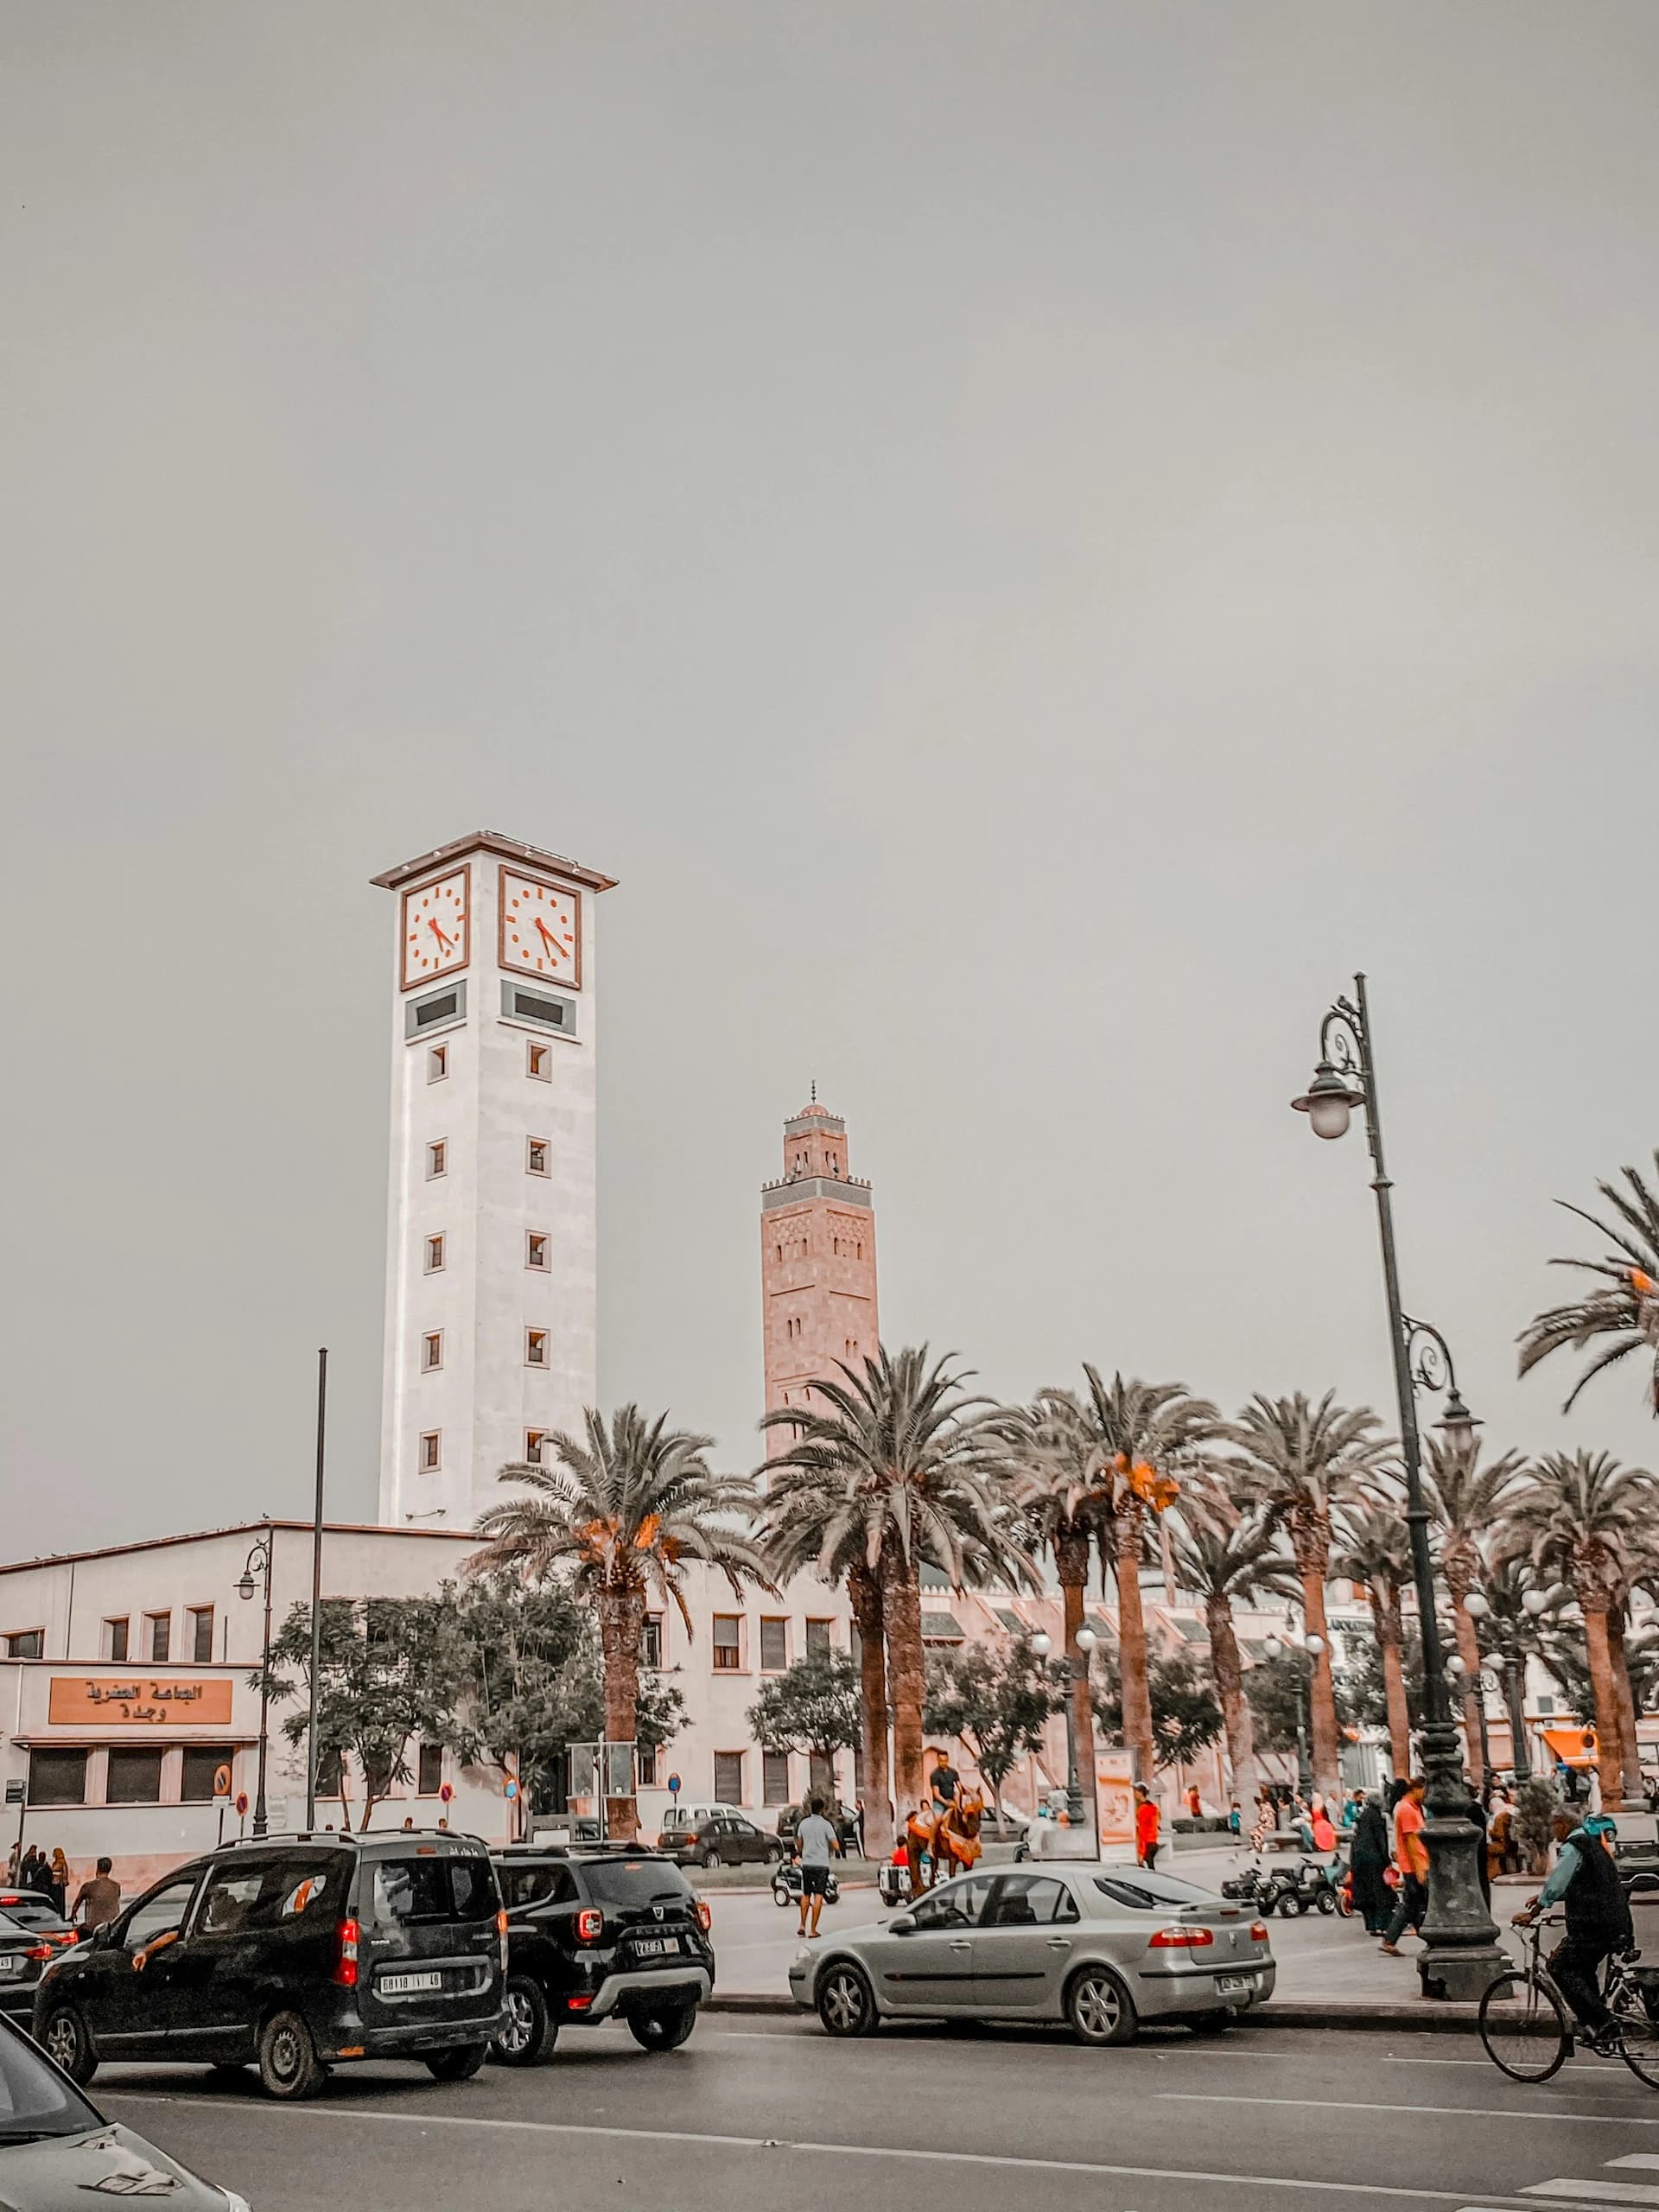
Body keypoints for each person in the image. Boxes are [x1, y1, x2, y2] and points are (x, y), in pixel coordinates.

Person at [1514, 1812, 1633, 2053]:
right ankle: (1592, 2024)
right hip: (1613, 1921)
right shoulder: (1593, 1844)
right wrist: (1543, 1897)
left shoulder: (1573, 1846)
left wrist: (1534, 1913)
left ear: (1564, 1824)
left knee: (1558, 1967)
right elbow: (1581, 1882)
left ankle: (1604, 2021)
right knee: (1582, 1969)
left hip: (1594, 1925)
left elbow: (1557, 1882)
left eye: (1554, 1826)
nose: (1553, 1831)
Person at [1381, 1777, 1430, 1955]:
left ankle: (1392, 1939)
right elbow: (1412, 1842)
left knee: (1414, 1903)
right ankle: (1428, 1938)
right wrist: (1420, 1869)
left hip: (1414, 1864)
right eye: (1424, 1791)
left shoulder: (1409, 1807)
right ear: (1415, 1789)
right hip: (1414, 1865)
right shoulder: (1407, 1810)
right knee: (1416, 1903)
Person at [794, 1793, 841, 1941]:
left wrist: (803, 1850)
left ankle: (802, 1925)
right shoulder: (826, 1825)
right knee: (818, 1895)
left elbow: (799, 1842)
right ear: (822, 1810)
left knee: (806, 1894)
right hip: (821, 1864)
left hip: (807, 1863)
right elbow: (835, 1845)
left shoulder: (803, 1824)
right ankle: (813, 1929)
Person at [1349, 1790, 1393, 1935]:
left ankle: (1371, 1924)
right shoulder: (1378, 1818)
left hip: (1358, 1859)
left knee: (1365, 1892)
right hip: (1374, 1859)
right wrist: (1387, 1860)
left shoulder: (1362, 1817)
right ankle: (1382, 1924)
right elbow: (1381, 1841)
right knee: (1379, 1892)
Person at [72, 1856, 121, 1933]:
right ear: (109, 1870)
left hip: (93, 1928)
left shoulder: (88, 1886)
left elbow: (77, 1904)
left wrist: (73, 1915)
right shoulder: (116, 1886)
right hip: (112, 1926)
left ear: (97, 1869)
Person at [1135, 1783, 1160, 1872]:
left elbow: (1143, 1831)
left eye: (1136, 1792)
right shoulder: (1153, 1807)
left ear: (1141, 1793)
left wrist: (1141, 1852)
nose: (1134, 1794)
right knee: (1151, 1868)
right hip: (1153, 1842)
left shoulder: (1143, 1809)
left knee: (1147, 1869)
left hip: (1146, 1844)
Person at [927, 1750, 959, 1816]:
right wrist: (947, 1803)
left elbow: (959, 1787)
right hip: (939, 1802)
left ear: (948, 1760)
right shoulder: (935, 1774)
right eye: (941, 1761)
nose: (943, 1763)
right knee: (938, 1818)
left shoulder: (953, 1772)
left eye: (945, 1760)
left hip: (952, 1799)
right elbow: (937, 1794)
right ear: (938, 1760)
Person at [47, 1848, 69, 1916]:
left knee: (59, 1902)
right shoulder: (55, 1862)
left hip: (59, 1884)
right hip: (54, 1884)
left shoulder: (61, 1862)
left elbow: (62, 1872)